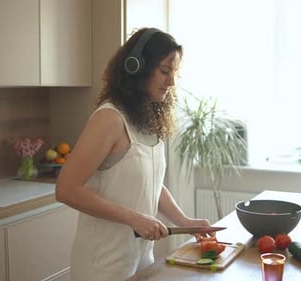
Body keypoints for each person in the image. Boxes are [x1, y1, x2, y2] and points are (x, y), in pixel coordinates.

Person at [55, 28, 212, 281]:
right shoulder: (109, 118)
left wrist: (184, 221)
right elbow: (66, 189)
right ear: (136, 67)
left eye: (174, 73)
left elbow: (150, 183)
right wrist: (134, 219)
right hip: (102, 266)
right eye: (164, 70)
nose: (171, 82)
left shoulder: (145, 121)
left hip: (140, 260)